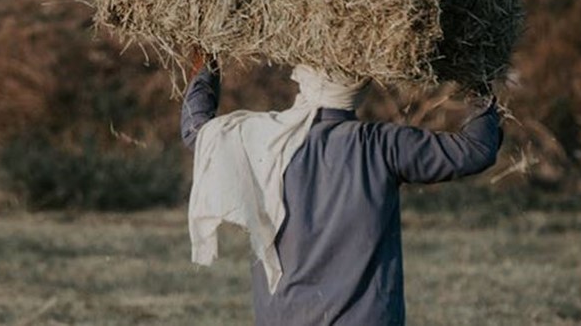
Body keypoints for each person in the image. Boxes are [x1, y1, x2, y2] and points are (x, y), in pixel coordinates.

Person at [180, 54, 503, 326]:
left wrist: (207, 59)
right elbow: (475, 150)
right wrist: (479, 79)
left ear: (302, 79)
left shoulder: (261, 139)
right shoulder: (379, 145)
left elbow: (198, 130)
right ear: (357, 87)